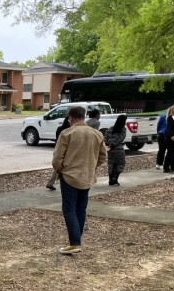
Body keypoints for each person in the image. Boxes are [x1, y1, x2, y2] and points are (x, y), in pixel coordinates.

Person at [52, 106, 107, 255]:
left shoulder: (67, 133)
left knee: (69, 208)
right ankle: (77, 239)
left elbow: (57, 158)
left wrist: (60, 170)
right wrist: (92, 167)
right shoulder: (96, 134)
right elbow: (103, 156)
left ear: (71, 117)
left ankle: (75, 242)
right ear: (84, 117)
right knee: (81, 209)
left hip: (69, 175)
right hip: (87, 176)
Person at [46, 117, 71, 190]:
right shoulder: (70, 131)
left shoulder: (59, 129)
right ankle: (57, 181)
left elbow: (57, 139)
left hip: (59, 148)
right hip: (68, 150)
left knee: (58, 167)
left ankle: (51, 182)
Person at [104, 114, 127, 186]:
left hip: (110, 150)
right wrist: (112, 145)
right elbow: (120, 139)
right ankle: (115, 179)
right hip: (118, 149)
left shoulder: (110, 128)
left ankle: (110, 180)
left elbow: (105, 138)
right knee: (120, 164)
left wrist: (108, 145)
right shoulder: (123, 129)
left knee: (111, 164)